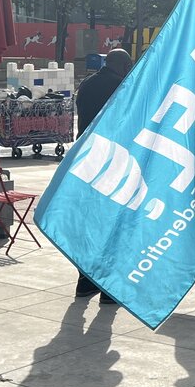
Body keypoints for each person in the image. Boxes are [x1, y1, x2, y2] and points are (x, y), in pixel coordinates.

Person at [74, 48, 133, 304]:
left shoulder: (86, 84)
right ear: (123, 65)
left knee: (89, 222)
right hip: (111, 160)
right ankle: (107, 287)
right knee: (110, 222)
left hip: (84, 159)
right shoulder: (121, 86)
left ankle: (84, 281)